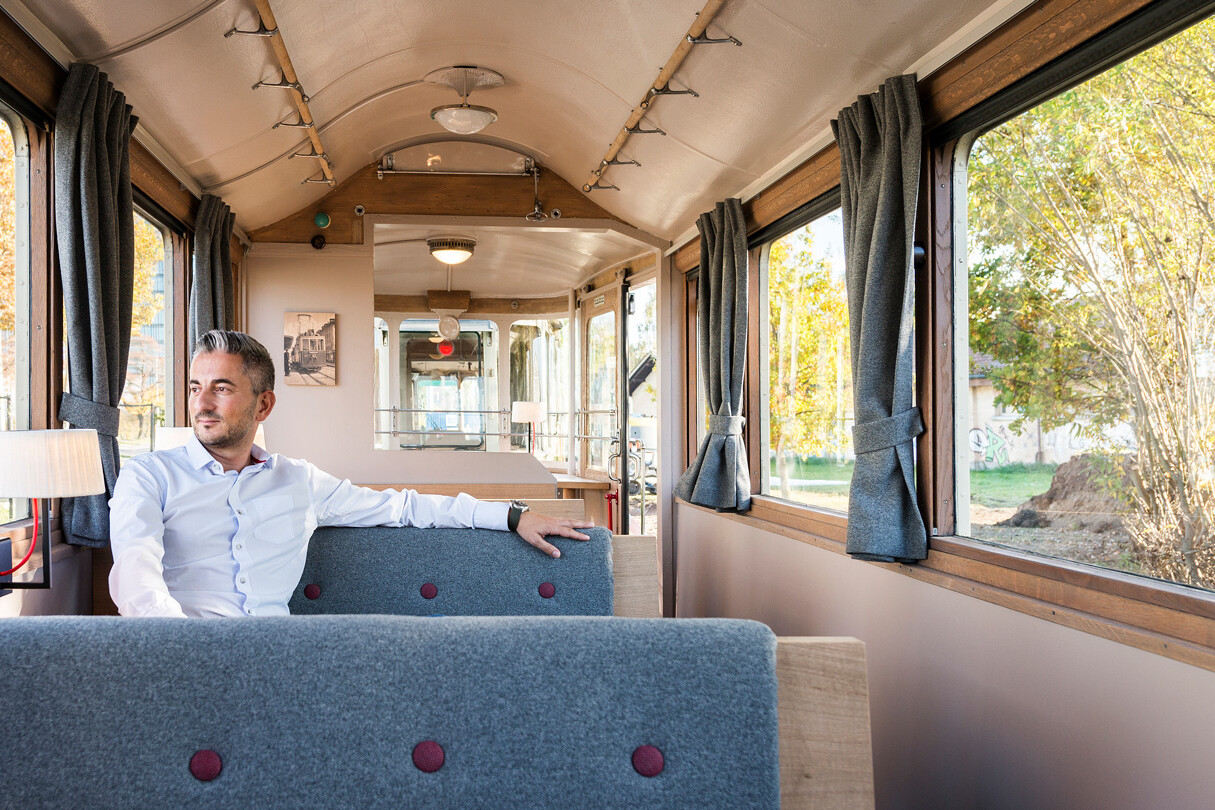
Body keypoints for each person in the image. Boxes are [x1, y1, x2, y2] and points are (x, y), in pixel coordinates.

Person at [108, 330, 591, 618]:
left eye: (220, 388)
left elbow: (404, 507)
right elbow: (136, 574)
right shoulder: (148, 476)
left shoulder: (299, 481)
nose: (202, 403)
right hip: (177, 659)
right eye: (195, 388)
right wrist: (176, 651)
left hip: (279, 664)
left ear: (264, 404)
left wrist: (513, 515)